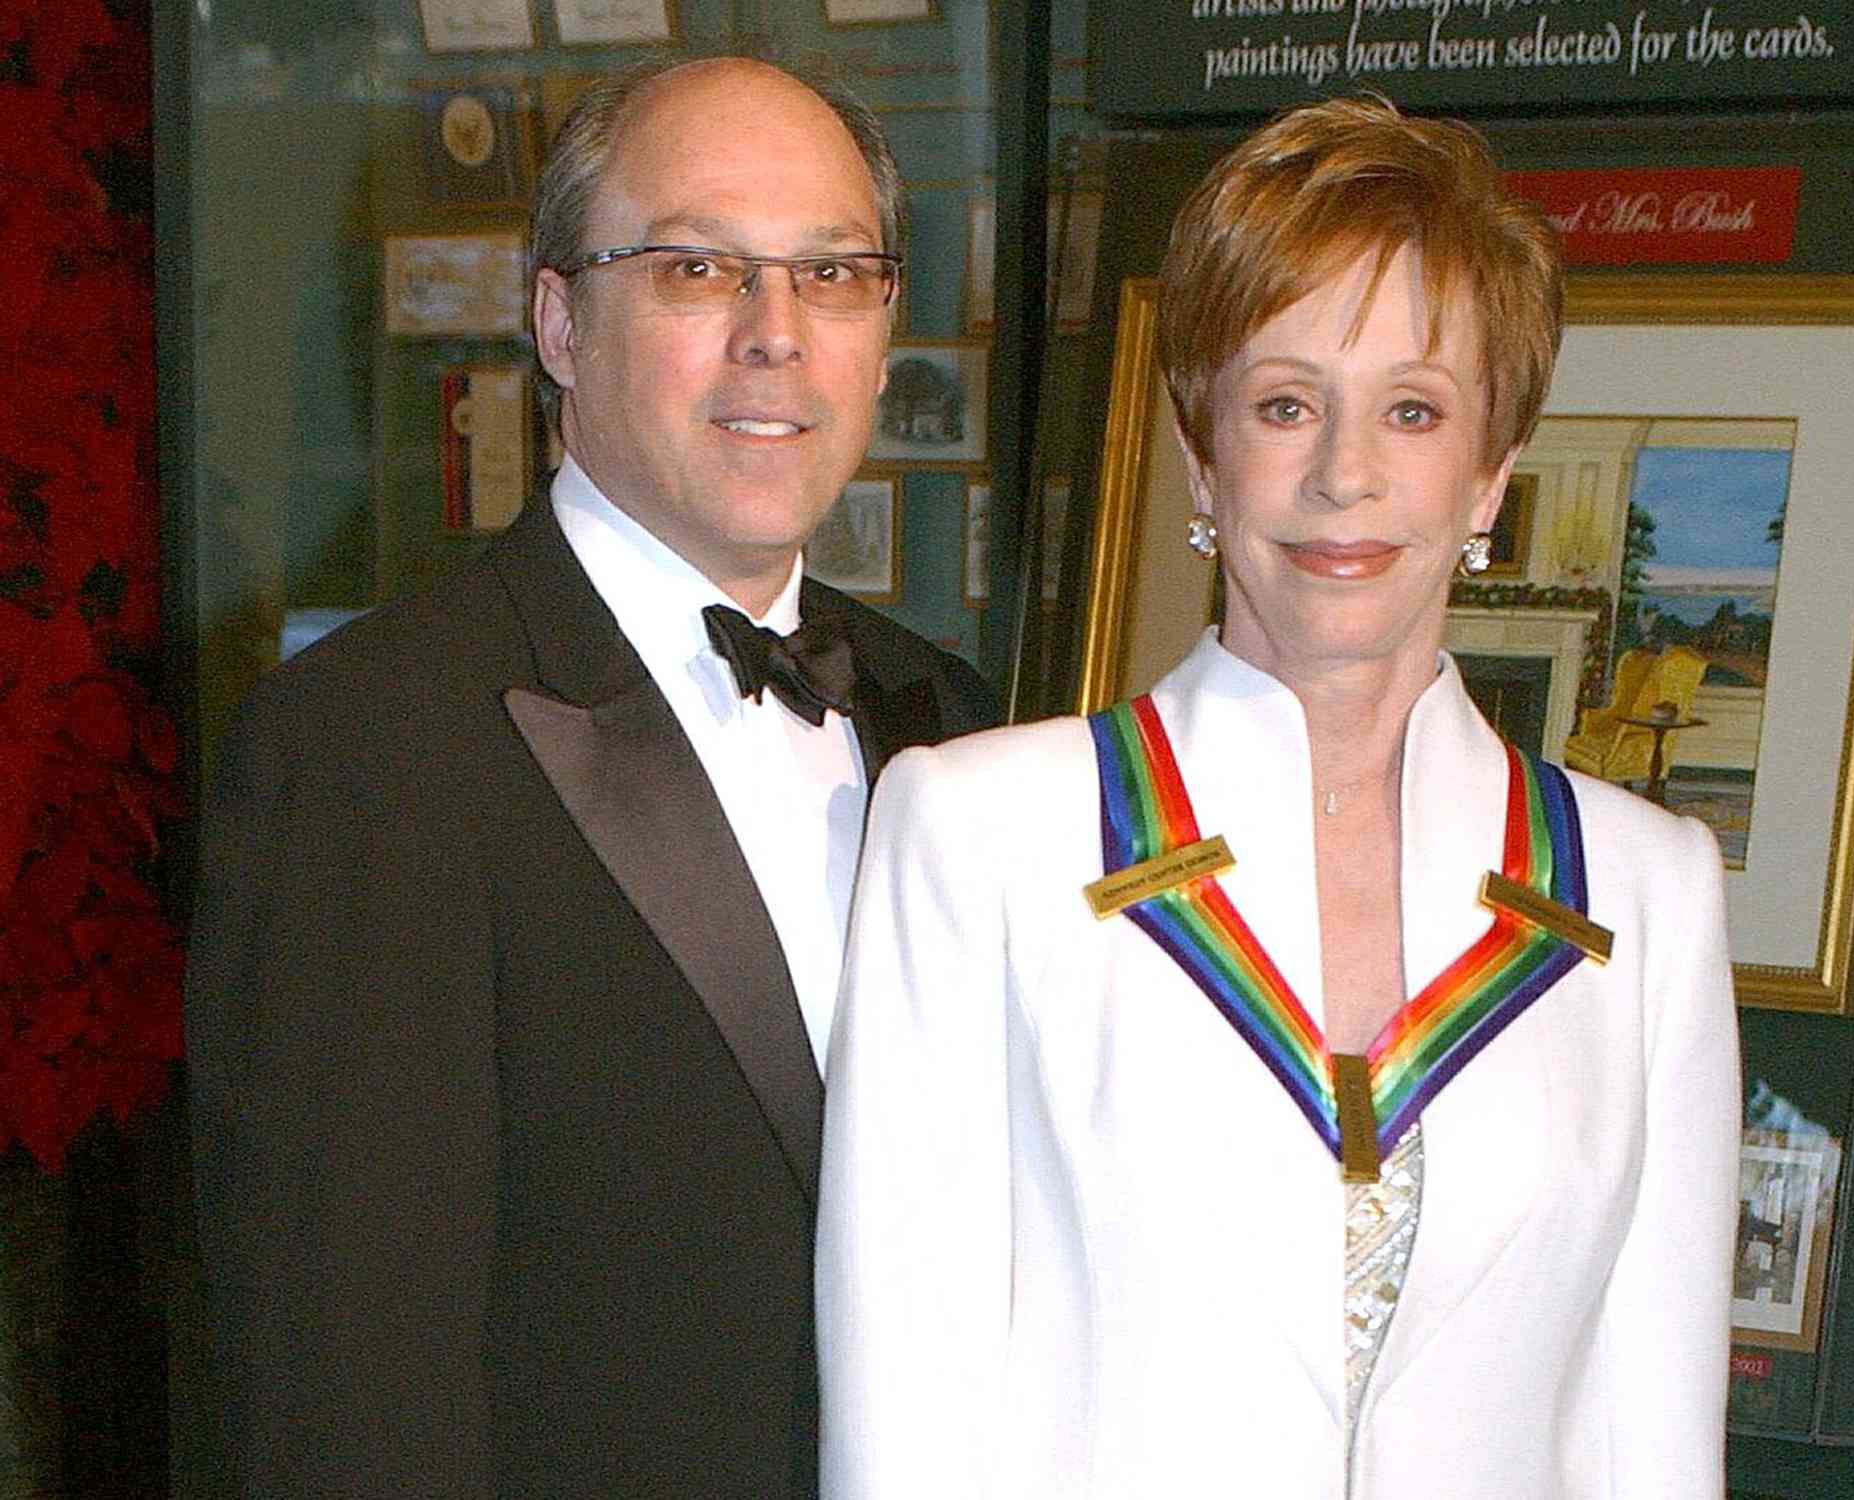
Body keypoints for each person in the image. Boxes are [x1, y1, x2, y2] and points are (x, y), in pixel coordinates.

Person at [817, 94, 1738, 1499]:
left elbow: (1656, 1442)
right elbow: (906, 1413)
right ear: (1203, 455)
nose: (1344, 474)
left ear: (1492, 473)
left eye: (1414, 411)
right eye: (1286, 403)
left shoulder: (1645, 890)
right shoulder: (977, 836)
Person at [186, 57, 997, 1500]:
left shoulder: (955, 722)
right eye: (699, 270)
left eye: (832, 273)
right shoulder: (371, 747)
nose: (777, 336)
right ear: (561, 320)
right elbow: (343, 1403)